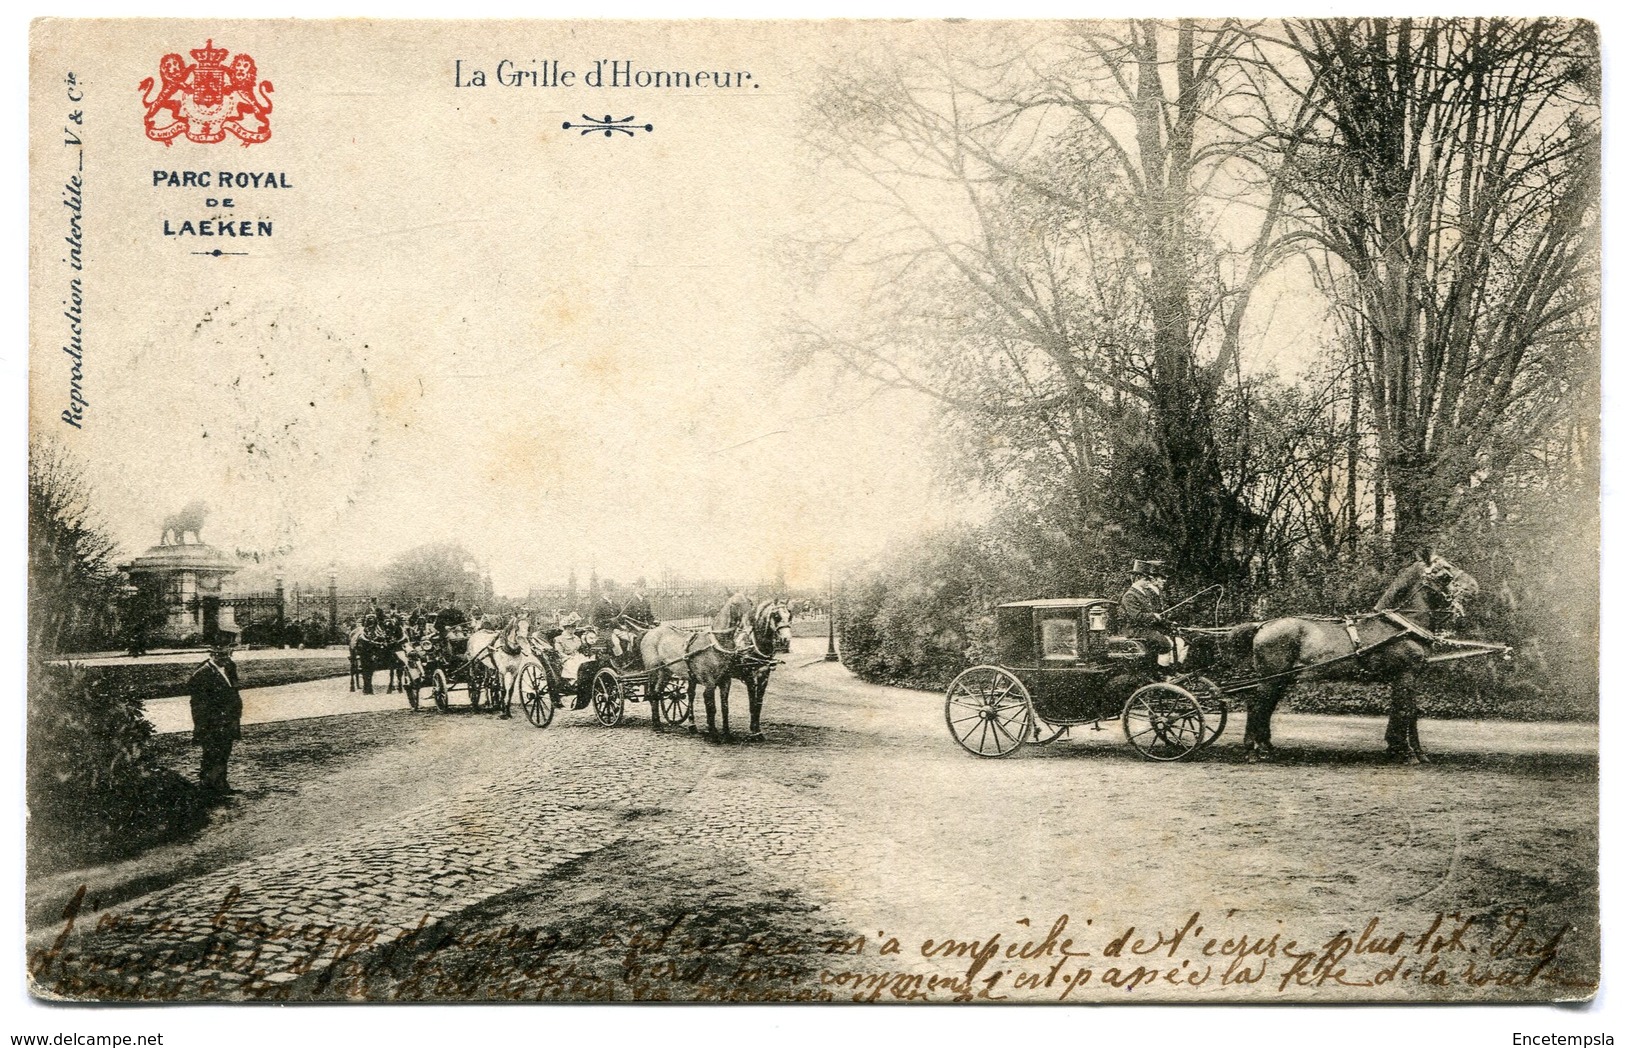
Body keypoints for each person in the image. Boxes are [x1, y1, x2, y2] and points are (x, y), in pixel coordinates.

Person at [188, 643, 244, 801]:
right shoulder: (202, 675)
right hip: (213, 723)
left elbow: (233, 690)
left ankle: (221, 784)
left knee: (224, 752)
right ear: (212, 655)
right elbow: (199, 706)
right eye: (221, 655)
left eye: (227, 655)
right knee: (212, 753)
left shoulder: (229, 668)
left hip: (228, 721)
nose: (225, 658)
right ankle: (208, 786)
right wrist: (203, 726)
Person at [1120, 559, 1174, 662]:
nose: (1149, 582)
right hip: (1135, 630)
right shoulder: (1130, 595)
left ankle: (1168, 670)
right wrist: (1153, 616)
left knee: (1172, 638)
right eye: (1146, 579)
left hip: (1145, 628)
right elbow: (1136, 616)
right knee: (1164, 643)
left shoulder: (1142, 593)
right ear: (1138, 578)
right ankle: (1162, 672)